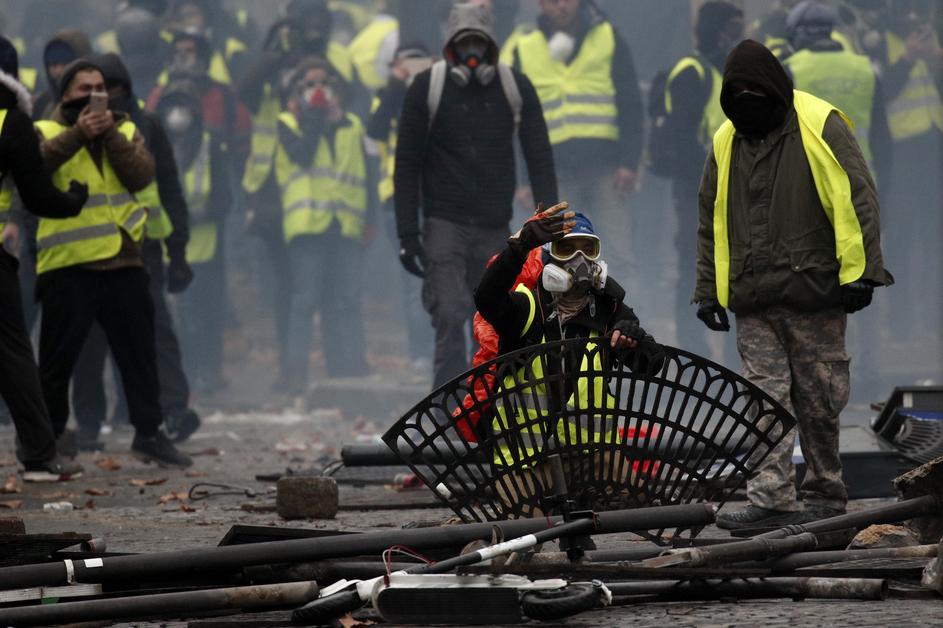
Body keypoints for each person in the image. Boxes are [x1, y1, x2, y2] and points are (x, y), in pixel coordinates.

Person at [694, 40, 892, 529]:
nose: (745, 102)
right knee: (765, 401)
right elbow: (711, 219)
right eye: (735, 94)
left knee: (818, 399)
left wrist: (861, 271)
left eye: (752, 93)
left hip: (814, 292)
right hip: (754, 296)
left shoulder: (821, 124)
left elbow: (856, 197)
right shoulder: (726, 139)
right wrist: (708, 290)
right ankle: (771, 497)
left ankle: (826, 494)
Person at [34, 58, 192, 467]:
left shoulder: (125, 130)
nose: (92, 94)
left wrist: (107, 137)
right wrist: (77, 134)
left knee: (139, 356)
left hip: (123, 259)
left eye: (99, 87)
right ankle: (47, 440)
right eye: (82, 87)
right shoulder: (47, 129)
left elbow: (142, 175)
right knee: (58, 362)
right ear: (65, 93)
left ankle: (148, 433)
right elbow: (34, 170)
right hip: (68, 263)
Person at [395, 2, 558, 388]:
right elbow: (406, 164)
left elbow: (539, 157)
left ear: (491, 47)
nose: (472, 55)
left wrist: (548, 223)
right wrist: (408, 234)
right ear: (449, 47)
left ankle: (486, 408)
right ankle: (446, 412)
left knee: (493, 322)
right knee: (450, 315)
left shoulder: (514, 86)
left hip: (493, 227)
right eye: (463, 44)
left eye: (479, 44)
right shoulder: (427, 87)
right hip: (444, 223)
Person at [474, 204, 664, 515]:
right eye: (567, 248)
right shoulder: (526, 306)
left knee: (644, 512)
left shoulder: (608, 310)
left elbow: (653, 364)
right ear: (550, 256)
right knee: (529, 534)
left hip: (593, 457)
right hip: (525, 462)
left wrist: (634, 339)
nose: (579, 259)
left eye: (587, 248)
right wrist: (519, 247)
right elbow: (486, 298)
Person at [238, 0, 359, 391]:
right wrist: (278, 53)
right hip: (274, 192)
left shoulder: (334, 59)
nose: (310, 27)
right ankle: (290, 371)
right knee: (290, 290)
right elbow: (247, 90)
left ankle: (336, 369)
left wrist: (314, 62)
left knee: (328, 291)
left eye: (315, 20)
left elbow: (351, 94)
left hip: (327, 204)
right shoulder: (275, 61)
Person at [501, 0, 644, 280]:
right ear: (541, 4)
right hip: (553, 172)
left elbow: (630, 103)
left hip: (606, 166)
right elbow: (516, 121)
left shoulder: (607, 37)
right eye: (553, 1)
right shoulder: (524, 47)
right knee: (558, 255)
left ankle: (624, 321)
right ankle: (563, 321)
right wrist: (522, 179)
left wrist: (630, 162)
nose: (562, 6)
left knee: (617, 253)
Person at [0, 37, 87, 481]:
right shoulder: (10, 121)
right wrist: (73, 200)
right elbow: (36, 193)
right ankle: (38, 453)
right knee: (14, 351)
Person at [276, 57, 372, 391]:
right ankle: (294, 376)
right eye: (309, 85)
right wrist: (314, 115)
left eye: (324, 84)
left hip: (344, 223)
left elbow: (367, 176)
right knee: (305, 300)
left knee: (346, 299)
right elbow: (303, 154)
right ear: (296, 91)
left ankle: (350, 370)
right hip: (307, 226)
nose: (318, 91)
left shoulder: (352, 125)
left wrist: (369, 221)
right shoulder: (288, 122)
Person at [659, 1, 742, 360]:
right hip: (697, 192)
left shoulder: (733, 72)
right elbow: (681, 142)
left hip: (735, 190)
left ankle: (735, 352)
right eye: (731, 28)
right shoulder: (691, 72)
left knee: (737, 270)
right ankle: (692, 354)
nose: (736, 35)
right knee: (694, 271)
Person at [157, 78, 232, 395]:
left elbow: (224, 199)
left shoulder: (210, 146)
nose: (178, 115)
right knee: (178, 318)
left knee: (207, 313)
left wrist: (197, 215)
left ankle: (208, 372)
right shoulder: (155, 147)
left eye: (184, 107)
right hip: (167, 246)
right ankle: (181, 375)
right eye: (172, 108)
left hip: (206, 246)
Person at [366, 42, 434, 374]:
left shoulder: (440, 92)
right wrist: (396, 84)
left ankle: (448, 349)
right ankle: (421, 352)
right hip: (398, 198)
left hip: (438, 196)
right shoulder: (388, 97)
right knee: (415, 280)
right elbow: (375, 129)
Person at [782, 1, 892, 188]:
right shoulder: (867, 70)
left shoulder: (788, 70)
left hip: (809, 183)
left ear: (796, 36)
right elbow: (882, 138)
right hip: (859, 180)